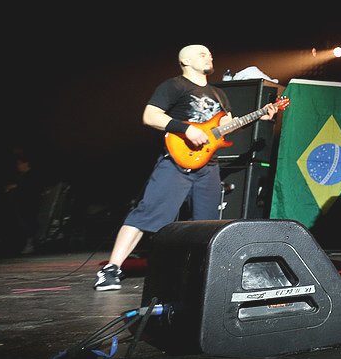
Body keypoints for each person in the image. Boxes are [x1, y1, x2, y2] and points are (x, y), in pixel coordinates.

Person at [95, 45, 281, 290]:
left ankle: (199, 274)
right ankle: (111, 270)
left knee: (207, 223)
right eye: (202, 54)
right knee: (147, 213)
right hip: (176, 161)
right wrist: (186, 129)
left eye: (210, 53)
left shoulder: (219, 94)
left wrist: (258, 116)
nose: (209, 56)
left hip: (208, 166)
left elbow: (226, 127)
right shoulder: (174, 86)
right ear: (185, 61)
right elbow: (150, 116)